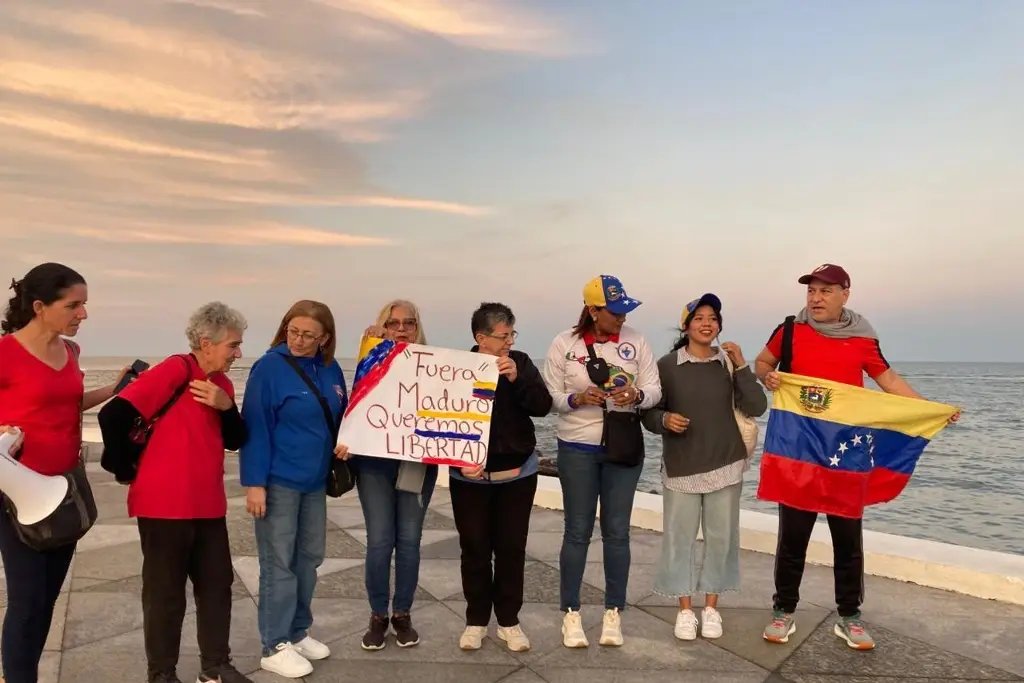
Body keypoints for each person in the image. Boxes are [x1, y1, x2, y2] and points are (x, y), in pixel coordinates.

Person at [754, 263, 961, 651]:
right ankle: (784, 610)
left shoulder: (863, 339)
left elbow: (889, 381)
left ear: (845, 294)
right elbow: (761, 364)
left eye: (825, 291)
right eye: (811, 291)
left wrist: (931, 408)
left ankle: (849, 616)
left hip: (846, 457)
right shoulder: (789, 332)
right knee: (792, 538)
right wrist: (768, 376)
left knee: (847, 540)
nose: (815, 298)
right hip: (800, 452)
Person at [97, 302, 251, 683]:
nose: (238, 353)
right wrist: (124, 469)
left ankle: (216, 667)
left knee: (217, 586)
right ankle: (161, 674)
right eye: (233, 345)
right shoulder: (176, 369)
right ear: (205, 342)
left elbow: (237, 439)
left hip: (208, 503)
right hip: (164, 504)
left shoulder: (223, 384)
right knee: (166, 595)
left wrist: (226, 406)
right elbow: (112, 415)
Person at [0, 263, 130, 683]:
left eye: (85, 305)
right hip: (16, 494)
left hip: (64, 490)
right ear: (40, 306)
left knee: (47, 600)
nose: (83, 315)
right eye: (74, 305)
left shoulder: (71, 353)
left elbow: (67, 406)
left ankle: (22, 673)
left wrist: (115, 389)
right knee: (26, 600)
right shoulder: (5, 353)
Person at [541, 275, 662, 648]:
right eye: (614, 311)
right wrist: (579, 400)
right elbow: (551, 396)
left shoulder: (637, 341)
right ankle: (571, 613)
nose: (622, 318)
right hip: (577, 447)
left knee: (617, 532)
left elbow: (655, 390)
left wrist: (636, 394)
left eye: (625, 310)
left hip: (622, 447)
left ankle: (614, 612)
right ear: (593, 311)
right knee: (577, 531)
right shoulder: (565, 343)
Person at [641, 294, 767, 641]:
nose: (707, 323)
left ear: (720, 325)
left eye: (713, 318)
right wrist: (664, 419)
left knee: (721, 540)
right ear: (686, 326)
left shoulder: (727, 365)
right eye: (698, 318)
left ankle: (711, 608)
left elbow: (756, 406)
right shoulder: (666, 365)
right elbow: (648, 413)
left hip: (726, 463)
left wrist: (742, 365)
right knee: (679, 540)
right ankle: (685, 610)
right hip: (682, 466)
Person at [239, 300, 349, 679]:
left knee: (309, 558)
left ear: (326, 338)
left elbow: (344, 414)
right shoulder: (269, 368)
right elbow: (255, 428)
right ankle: (274, 644)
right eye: (293, 332)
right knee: (278, 564)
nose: (299, 341)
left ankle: (297, 631)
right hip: (279, 481)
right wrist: (255, 484)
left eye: (309, 335)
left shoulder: (331, 369)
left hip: (315, 481)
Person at [452, 303, 553, 652]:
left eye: (512, 334)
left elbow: (542, 406)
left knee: (511, 549)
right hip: (469, 479)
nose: (509, 341)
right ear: (481, 338)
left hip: (517, 475)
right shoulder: (457, 368)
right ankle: (476, 620)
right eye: (502, 335)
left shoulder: (521, 363)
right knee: (475, 549)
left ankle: (509, 620)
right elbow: (441, 422)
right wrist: (458, 461)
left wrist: (517, 378)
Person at [340, 299, 438, 650]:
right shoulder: (370, 361)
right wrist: (371, 349)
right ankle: (378, 614)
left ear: (417, 327)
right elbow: (356, 406)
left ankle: (402, 613)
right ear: (381, 326)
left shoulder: (434, 364)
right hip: (375, 464)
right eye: (392, 323)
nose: (400, 329)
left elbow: (447, 410)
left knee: (409, 541)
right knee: (381, 541)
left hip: (416, 464)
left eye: (408, 323)